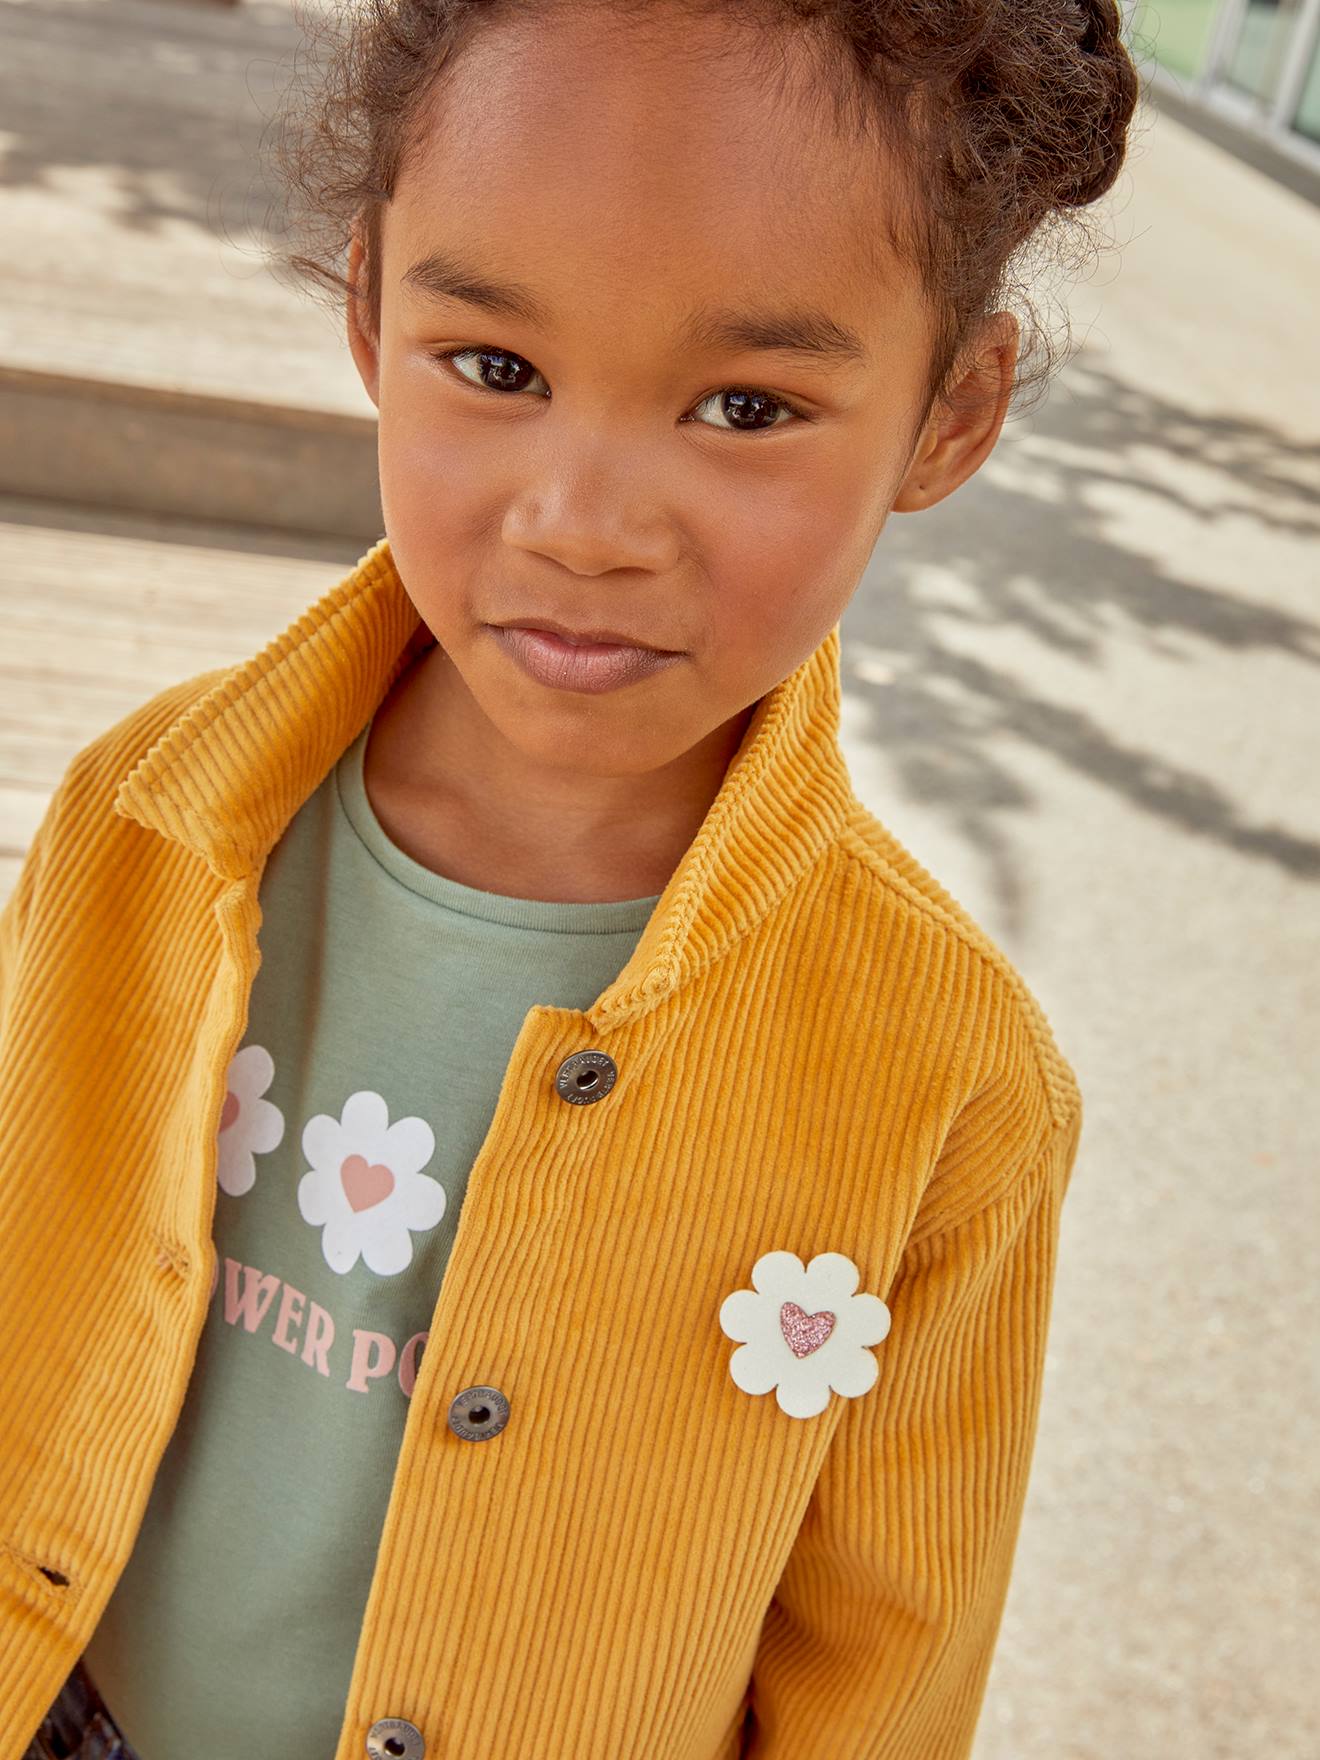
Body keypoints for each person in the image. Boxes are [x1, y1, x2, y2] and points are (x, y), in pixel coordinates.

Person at [3, 1, 1141, 1756]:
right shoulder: (138, 825)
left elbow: (885, 1675)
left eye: (746, 405)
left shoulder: (950, 1085)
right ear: (376, 309)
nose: (584, 520)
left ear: (949, 413)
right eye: (498, 368)